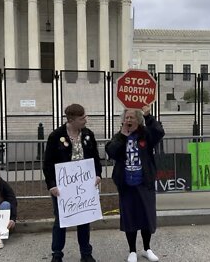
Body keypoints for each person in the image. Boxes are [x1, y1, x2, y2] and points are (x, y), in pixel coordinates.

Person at [43, 103, 102, 262]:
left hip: (84, 185)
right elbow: (48, 163)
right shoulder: (56, 136)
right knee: (61, 220)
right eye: (82, 118)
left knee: (84, 219)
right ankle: (57, 253)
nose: (85, 120)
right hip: (63, 187)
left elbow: (95, 158)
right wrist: (52, 184)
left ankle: (86, 253)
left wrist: (98, 175)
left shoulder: (88, 134)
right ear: (71, 119)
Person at [105, 105, 165, 262]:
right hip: (126, 184)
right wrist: (123, 136)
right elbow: (111, 151)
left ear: (138, 120)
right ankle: (132, 250)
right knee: (129, 217)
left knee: (146, 216)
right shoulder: (119, 136)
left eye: (132, 117)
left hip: (144, 183)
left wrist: (148, 116)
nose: (129, 120)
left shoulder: (145, 134)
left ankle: (147, 248)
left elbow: (159, 132)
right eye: (126, 118)